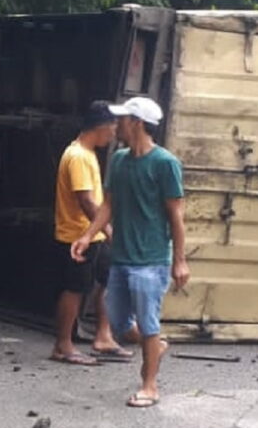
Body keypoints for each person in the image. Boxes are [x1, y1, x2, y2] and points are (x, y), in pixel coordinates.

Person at [72, 96, 190, 408]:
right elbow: (108, 205)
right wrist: (87, 236)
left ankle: (149, 385)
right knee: (122, 323)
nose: (117, 125)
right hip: (122, 256)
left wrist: (179, 260)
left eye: (122, 119)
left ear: (137, 123)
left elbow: (176, 216)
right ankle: (156, 347)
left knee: (149, 324)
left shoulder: (165, 164)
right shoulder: (120, 160)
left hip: (151, 260)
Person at [50, 101, 130, 366]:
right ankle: (63, 345)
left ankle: (103, 337)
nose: (114, 133)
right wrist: (107, 229)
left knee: (106, 280)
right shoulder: (78, 157)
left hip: (91, 235)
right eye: (113, 127)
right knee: (74, 289)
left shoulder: (87, 153)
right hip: (77, 235)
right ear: (102, 127)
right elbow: (86, 201)